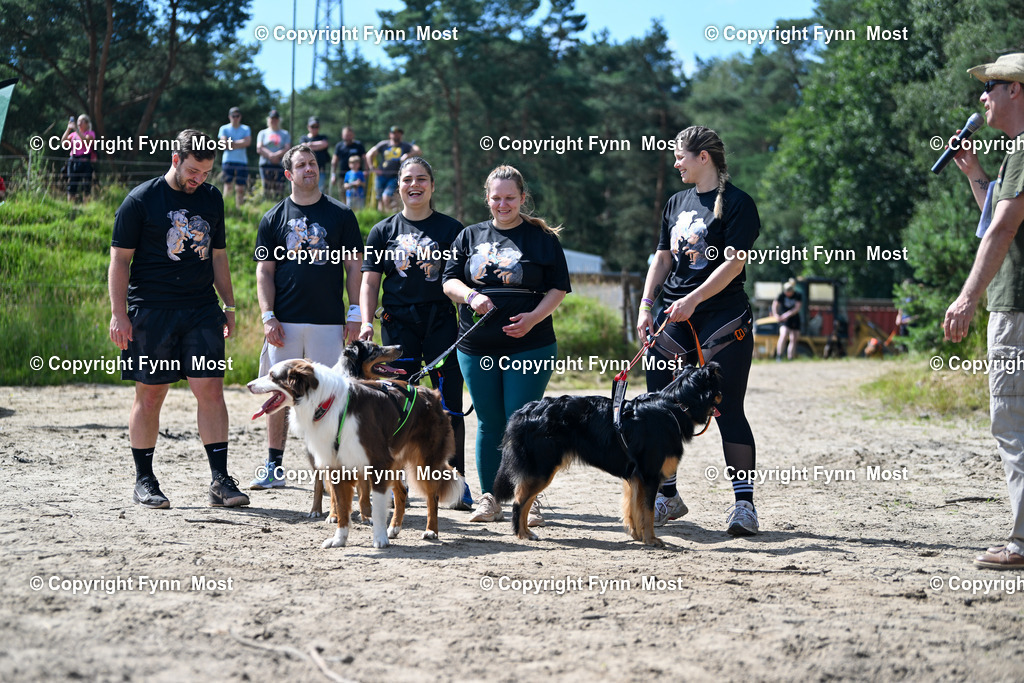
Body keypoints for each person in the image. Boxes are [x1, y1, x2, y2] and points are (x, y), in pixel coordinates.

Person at [108, 129, 248, 510]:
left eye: (205, 173)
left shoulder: (212, 198)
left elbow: (218, 256)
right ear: (175, 159)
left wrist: (229, 306)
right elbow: (120, 260)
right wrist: (118, 315)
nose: (198, 179)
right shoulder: (141, 200)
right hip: (151, 311)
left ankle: (220, 480)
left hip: (201, 310)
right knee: (151, 393)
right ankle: (145, 479)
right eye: (193, 171)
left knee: (211, 391)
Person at [637, 125, 761, 535]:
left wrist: (695, 300)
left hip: (721, 318)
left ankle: (744, 506)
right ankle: (667, 496)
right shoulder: (675, 202)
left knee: (727, 409)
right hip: (672, 318)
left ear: (702, 157)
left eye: (680, 156)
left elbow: (734, 264)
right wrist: (646, 305)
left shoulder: (739, 204)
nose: (675, 163)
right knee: (660, 407)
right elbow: (662, 257)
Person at [442, 165, 571, 523]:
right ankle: (490, 498)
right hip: (476, 346)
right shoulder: (469, 236)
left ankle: (527, 498)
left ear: (522, 198)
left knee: (524, 421)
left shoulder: (542, 239)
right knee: (489, 422)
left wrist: (532, 318)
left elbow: (558, 288)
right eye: (496, 198)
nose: (503, 204)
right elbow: (448, 281)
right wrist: (470, 297)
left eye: (510, 198)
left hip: (530, 346)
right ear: (487, 198)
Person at [943, 53, 1024, 569]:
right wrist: (975, 174)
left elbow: (1002, 230)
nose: (982, 96)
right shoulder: (1013, 154)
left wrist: (968, 296)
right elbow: (997, 217)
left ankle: (1020, 543)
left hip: (1016, 310)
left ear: (1016, 91)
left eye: (991, 85)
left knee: (1013, 422)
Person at [359, 157, 473, 509]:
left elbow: (464, 280)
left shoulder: (454, 229)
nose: (415, 185)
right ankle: (399, 487)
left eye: (422, 178)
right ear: (398, 186)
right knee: (398, 408)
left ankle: (453, 485)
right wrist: (366, 321)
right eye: (408, 179)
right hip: (398, 325)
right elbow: (369, 281)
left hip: (441, 324)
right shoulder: (383, 231)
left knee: (448, 407)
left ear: (432, 185)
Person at [249, 144, 363, 489]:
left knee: (330, 397)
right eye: (301, 165)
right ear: (288, 174)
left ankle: (334, 472)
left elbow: (354, 267)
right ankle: (274, 467)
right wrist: (268, 315)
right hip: (284, 323)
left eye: (313, 163)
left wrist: (355, 310)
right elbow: (264, 273)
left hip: (328, 323)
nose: (309, 169)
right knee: (279, 394)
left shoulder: (341, 215)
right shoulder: (273, 218)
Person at [366, 126, 421, 212]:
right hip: (381, 175)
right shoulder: (384, 144)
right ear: (390, 134)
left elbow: (418, 150)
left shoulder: (405, 145)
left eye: (398, 133)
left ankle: (389, 217)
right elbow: (369, 154)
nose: (396, 135)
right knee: (380, 198)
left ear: (401, 135)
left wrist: (408, 155)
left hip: (395, 176)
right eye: (394, 133)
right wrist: (373, 168)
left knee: (386, 197)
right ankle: (381, 217)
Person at [217, 106, 252, 206]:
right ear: (229, 117)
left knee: (240, 188)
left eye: (237, 116)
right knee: (228, 186)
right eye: (233, 116)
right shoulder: (224, 128)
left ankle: (238, 209)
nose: (235, 118)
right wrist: (240, 143)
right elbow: (223, 144)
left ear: (240, 117)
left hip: (242, 161)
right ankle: (226, 208)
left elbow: (247, 142)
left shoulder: (246, 128)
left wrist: (230, 143)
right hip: (228, 161)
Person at [257, 109, 291, 199]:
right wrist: (270, 155)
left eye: (276, 118)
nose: (274, 121)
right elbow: (259, 148)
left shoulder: (285, 133)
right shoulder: (263, 133)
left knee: (279, 188)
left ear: (279, 120)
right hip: (266, 164)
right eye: (272, 118)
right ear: (268, 119)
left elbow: (288, 148)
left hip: (280, 164)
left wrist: (276, 155)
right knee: (267, 187)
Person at [61, 114, 96, 202]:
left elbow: (86, 141)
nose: (79, 123)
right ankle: (70, 205)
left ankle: (86, 205)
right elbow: (63, 142)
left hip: (85, 162)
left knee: (86, 184)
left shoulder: (90, 134)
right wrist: (68, 129)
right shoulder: (73, 135)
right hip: (73, 161)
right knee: (72, 183)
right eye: (78, 121)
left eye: (81, 121)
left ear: (87, 123)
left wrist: (76, 129)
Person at [330, 126, 366, 198]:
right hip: (343, 176)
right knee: (343, 195)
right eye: (346, 135)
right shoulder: (339, 146)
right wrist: (333, 175)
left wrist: (366, 171)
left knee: (358, 196)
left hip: (357, 175)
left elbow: (365, 159)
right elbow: (334, 161)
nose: (348, 137)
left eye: (350, 135)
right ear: (342, 136)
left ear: (353, 135)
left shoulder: (358, 145)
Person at [772, 278, 802, 360]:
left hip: (794, 318)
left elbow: (797, 308)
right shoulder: (781, 295)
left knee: (794, 338)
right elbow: (775, 305)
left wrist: (787, 315)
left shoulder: (797, 295)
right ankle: (779, 356)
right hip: (784, 320)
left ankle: (790, 357)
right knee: (783, 334)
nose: (788, 293)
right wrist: (776, 315)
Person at [300, 116, 331, 194]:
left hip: (320, 170)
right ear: (308, 127)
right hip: (307, 170)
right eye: (312, 126)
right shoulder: (304, 138)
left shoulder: (323, 137)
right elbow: (303, 146)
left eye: (316, 127)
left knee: (320, 191)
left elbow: (324, 144)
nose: (314, 128)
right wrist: (318, 146)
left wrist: (310, 145)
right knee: (307, 191)